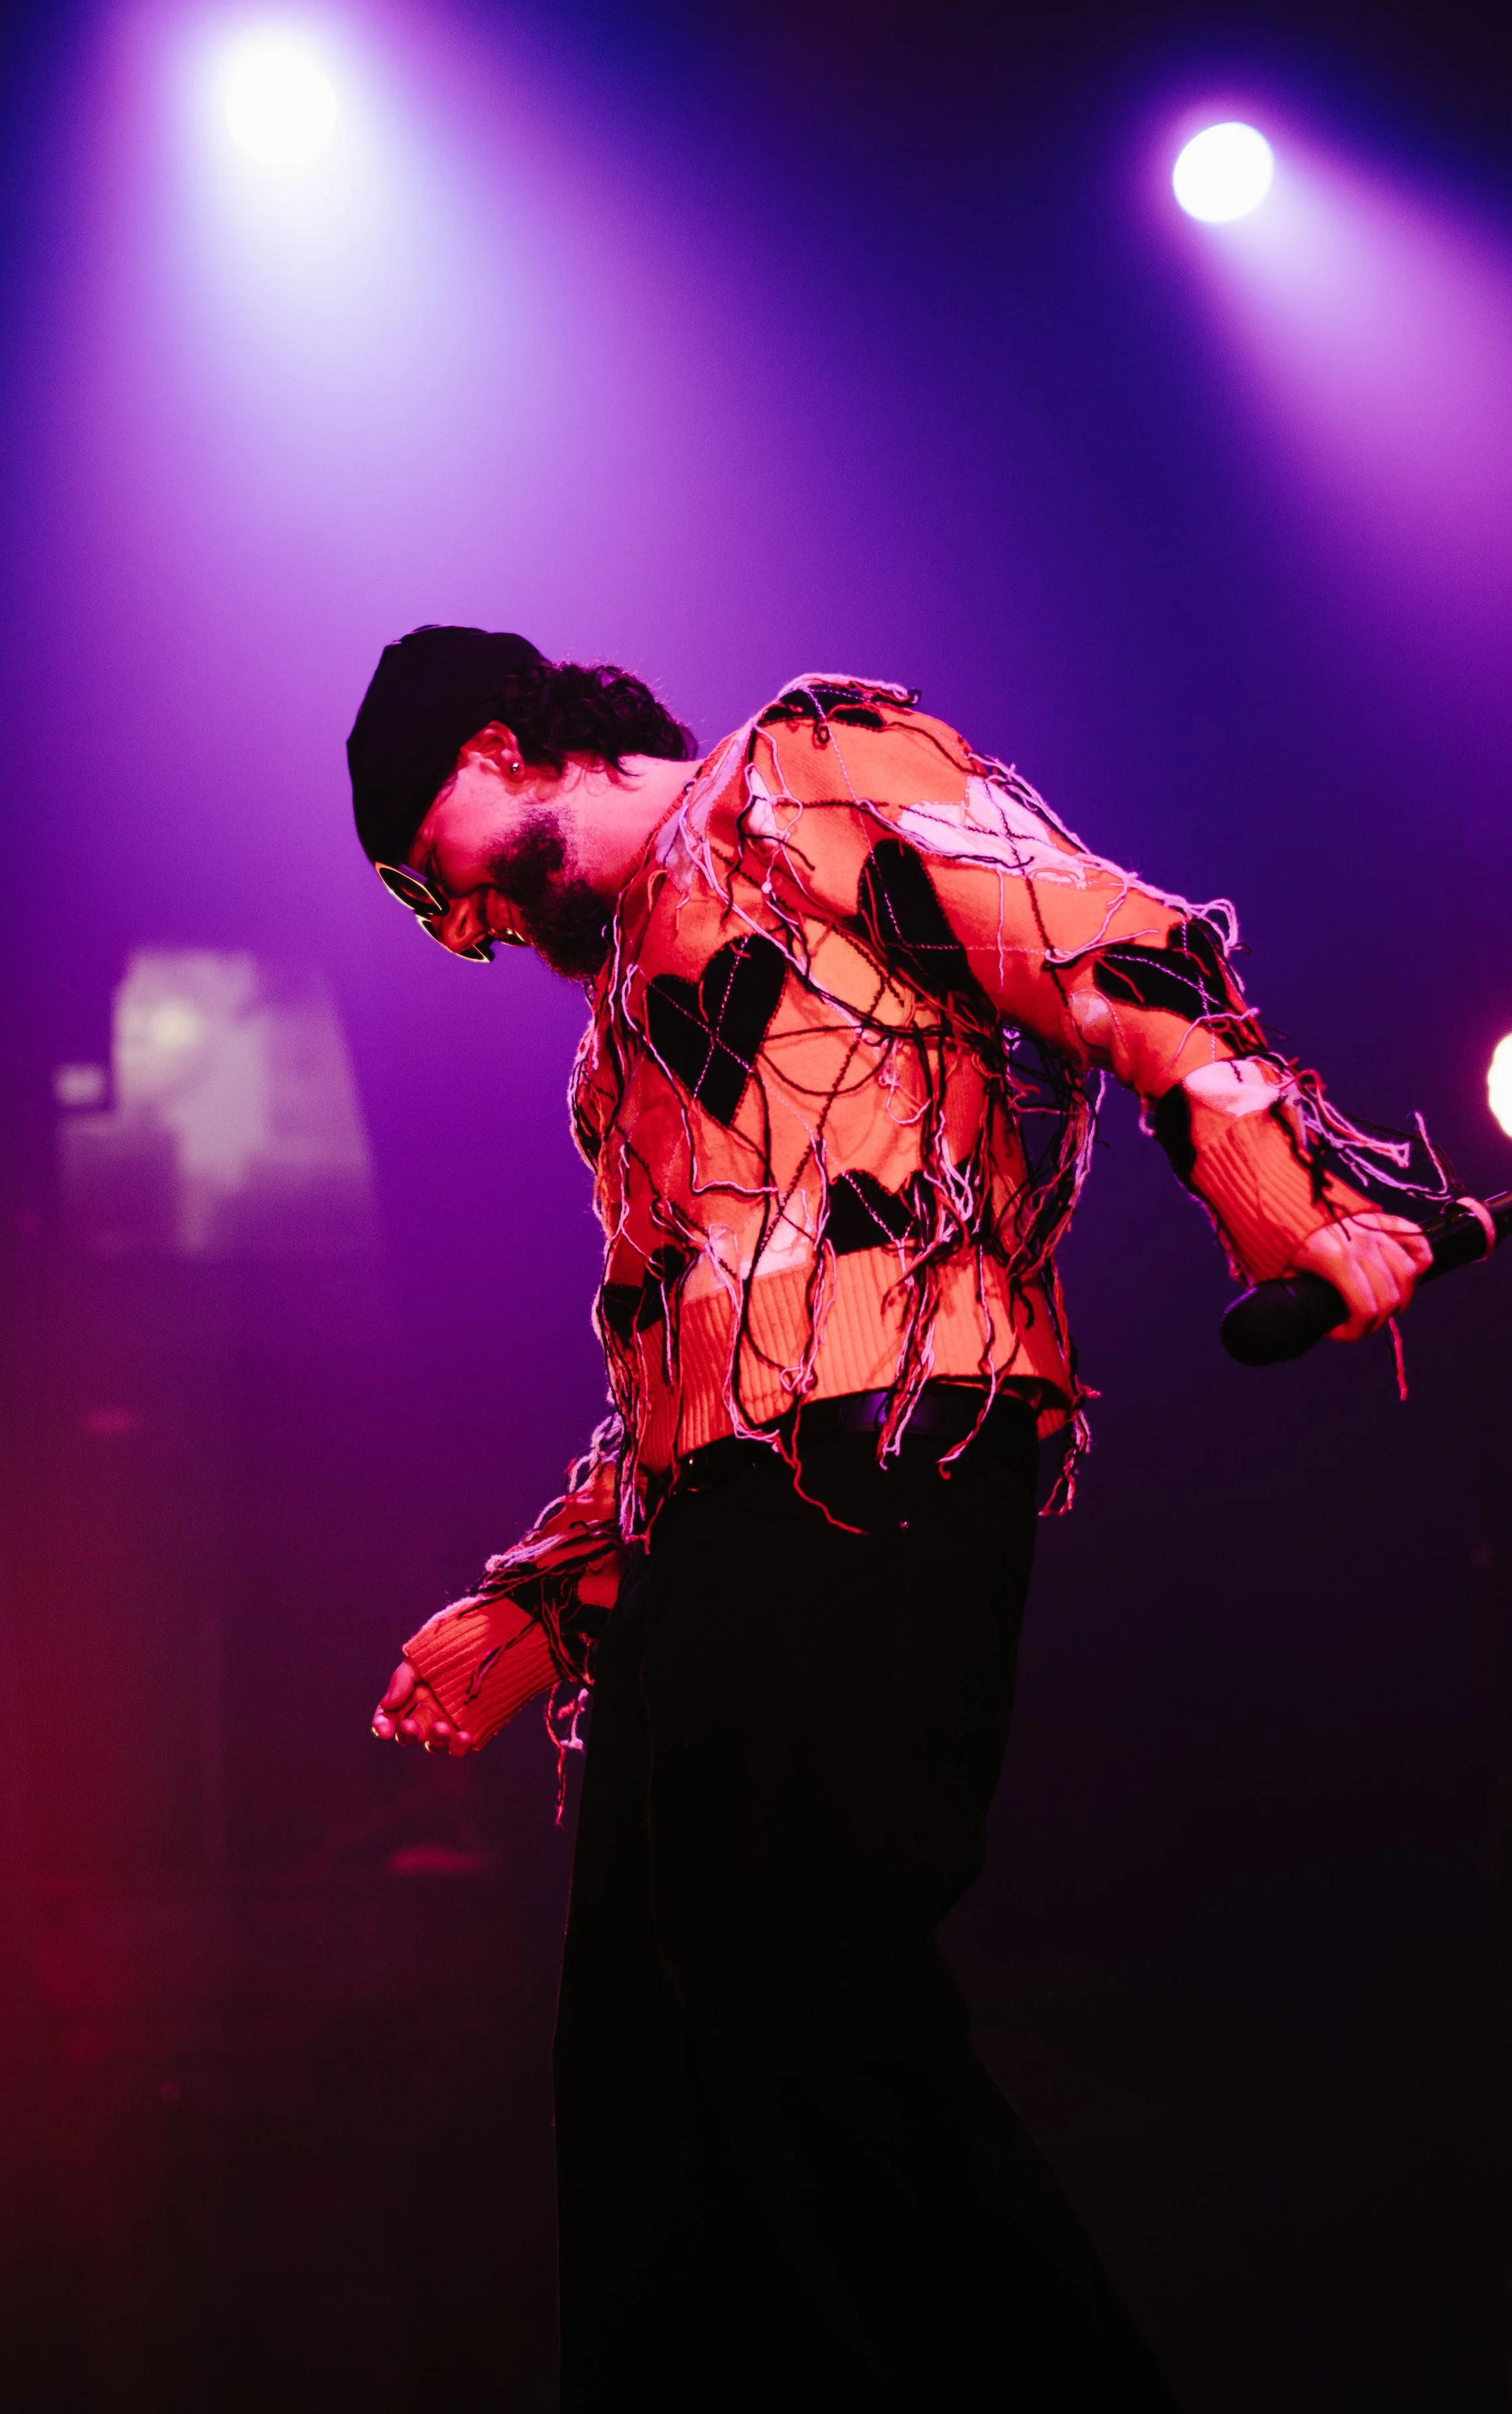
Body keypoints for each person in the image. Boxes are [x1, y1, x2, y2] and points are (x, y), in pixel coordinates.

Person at [347, 625, 1437, 2411]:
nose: (456, 929)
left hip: (894, 1456)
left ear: (499, 740)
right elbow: (668, 1382)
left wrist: (1281, 1188)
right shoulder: (612, 1057)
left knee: (797, 1992)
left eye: (428, 876)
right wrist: (539, 1609)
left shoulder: (809, 772)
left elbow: (1093, 938)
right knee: (636, 2076)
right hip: (719, 1529)